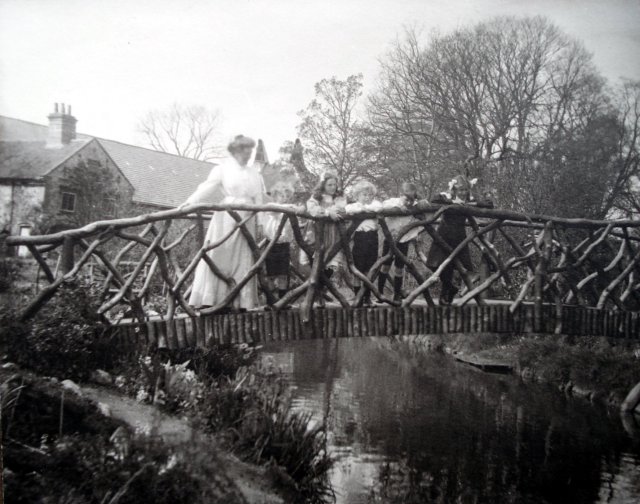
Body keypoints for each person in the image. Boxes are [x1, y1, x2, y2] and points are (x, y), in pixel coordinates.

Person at [179, 135, 265, 310]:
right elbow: (206, 188)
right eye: (244, 152)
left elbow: (258, 199)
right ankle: (212, 299)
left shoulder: (254, 173)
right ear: (235, 151)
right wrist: (189, 202)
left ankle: (240, 301)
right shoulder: (223, 169)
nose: (248, 156)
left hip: (247, 218)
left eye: (250, 153)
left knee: (243, 258)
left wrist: (261, 221)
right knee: (220, 255)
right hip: (227, 217)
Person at [426, 175, 494, 305]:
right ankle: (450, 288)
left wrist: (469, 204)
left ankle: (445, 296)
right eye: (460, 190)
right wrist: (453, 203)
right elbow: (434, 199)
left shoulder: (469, 200)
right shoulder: (447, 197)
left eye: (465, 190)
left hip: (458, 236)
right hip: (443, 234)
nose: (463, 193)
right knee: (435, 264)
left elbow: (489, 204)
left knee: (451, 266)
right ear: (455, 190)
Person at [304, 171, 347, 305]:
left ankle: (321, 291)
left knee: (331, 262)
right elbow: (312, 209)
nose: (332, 187)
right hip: (318, 233)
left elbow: (343, 210)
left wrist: (337, 211)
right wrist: (328, 212)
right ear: (323, 185)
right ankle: (318, 295)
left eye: (334, 184)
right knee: (317, 262)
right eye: (329, 185)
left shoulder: (340, 197)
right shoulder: (317, 197)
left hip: (334, 233)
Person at [379, 182, 426, 302]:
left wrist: (417, 206)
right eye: (407, 199)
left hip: (403, 241)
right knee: (385, 266)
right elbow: (381, 208)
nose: (409, 202)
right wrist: (398, 208)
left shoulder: (414, 207)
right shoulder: (393, 202)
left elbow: (424, 214)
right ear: (401, 195)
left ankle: (397, 294)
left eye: (412, 200)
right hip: (390, 239)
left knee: (399, 268)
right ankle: (379, 293)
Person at [261, 180, 299, 303]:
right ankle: (271, 300)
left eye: (287, 197)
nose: (285, 199)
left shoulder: (288, 209)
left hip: (284, 244)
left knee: (283, 274)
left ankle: (282, 300)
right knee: (271, 275)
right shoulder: (271, 207)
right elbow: (275, 209)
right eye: (282, 196)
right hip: (271, 244)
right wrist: (290, 207)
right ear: (275, 195)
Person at [345, 180, 382, 306]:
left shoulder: (375, 204)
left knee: (369, 269)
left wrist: (364, 209)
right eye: (364, 195)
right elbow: (348, 209)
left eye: (370, 195)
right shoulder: (354, 205)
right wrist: (362, 208)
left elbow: (379, 207)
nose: (368, 197)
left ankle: (367, 297)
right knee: (358, 268)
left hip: (372, 238)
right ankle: (357, 297)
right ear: (357, 196)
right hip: (360, 238)